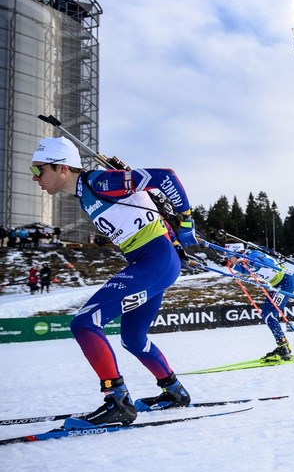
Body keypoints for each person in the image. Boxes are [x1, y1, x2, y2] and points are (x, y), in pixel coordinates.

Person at [30, 136, 198, 425]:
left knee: (84, 323)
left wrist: (185, 220)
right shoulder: (86, 194)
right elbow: (147, 209)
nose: (36, 178)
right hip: (153, 261)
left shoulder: (99, 182)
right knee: (133, 339)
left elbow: (165, 177)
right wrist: (174, 243)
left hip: (154, 260)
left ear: (61, 168)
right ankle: (174, 391)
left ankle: (117, 400)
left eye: (38, 170)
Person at [231, 249, 294, 361]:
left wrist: (246, 260)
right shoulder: (246, 261)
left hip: (285, 282)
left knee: (270, 315)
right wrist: (232, 265)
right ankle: (284, 345)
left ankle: (283, 347)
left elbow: (268, 264)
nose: (230, 258)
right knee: (266, 314)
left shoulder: (253, 255)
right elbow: (247, 270)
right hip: (276, 285)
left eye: (231, 256)